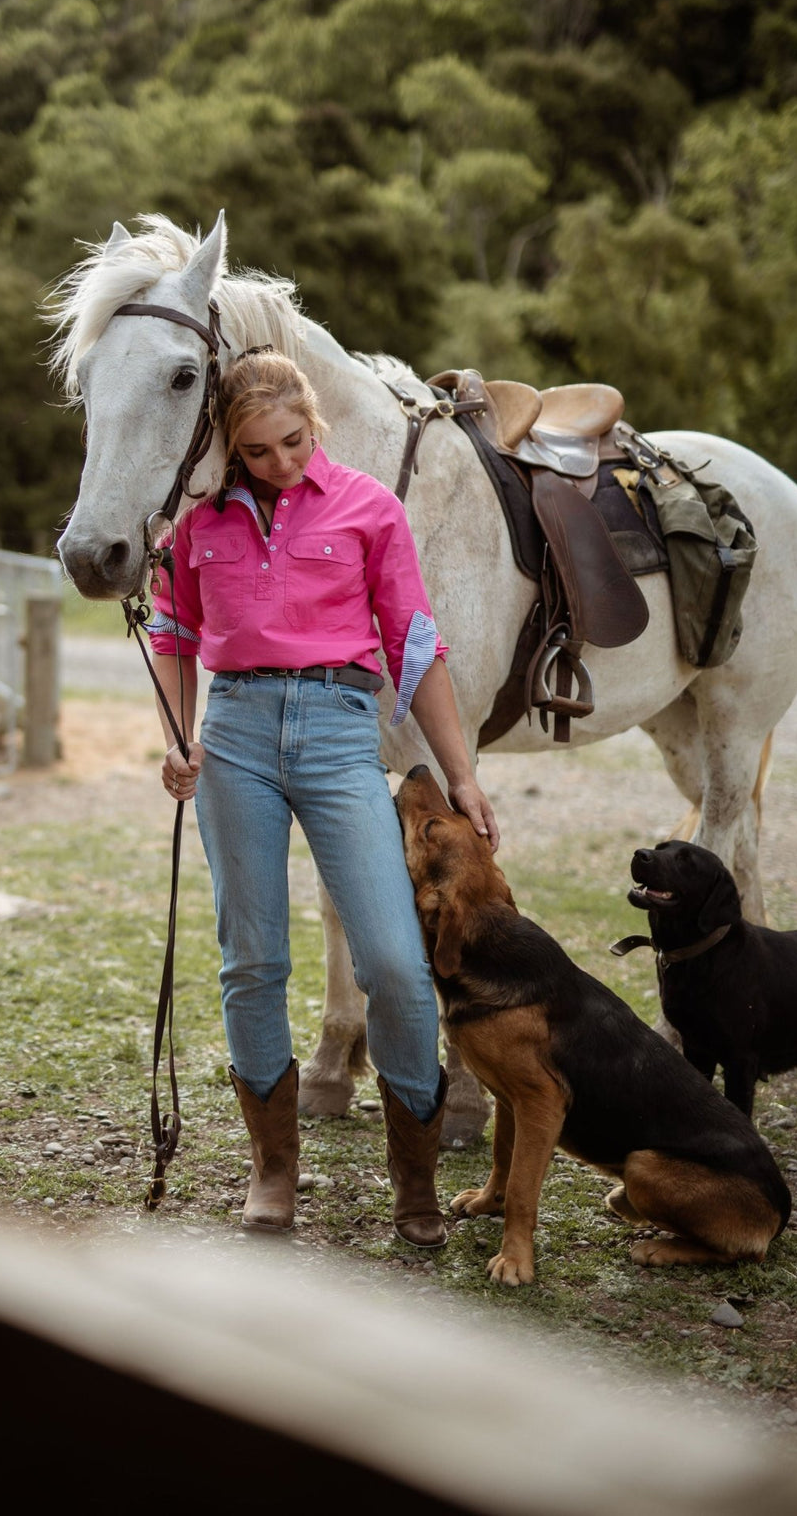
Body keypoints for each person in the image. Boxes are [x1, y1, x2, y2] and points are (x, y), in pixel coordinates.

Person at [146, 349, 499, 1245]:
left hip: (344, 729)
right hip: (236, 735)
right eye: (257, 452)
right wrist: (180, 739)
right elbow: (177, 633)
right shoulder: (195, 521)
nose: (279, 463)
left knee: (393, 961)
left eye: (293, 442)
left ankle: (414, 1179)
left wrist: (460, 773)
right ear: (230, 448)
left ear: (317, 423)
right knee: (253, 957)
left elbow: (416, 648)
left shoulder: (370, 508)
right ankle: (274, 1167)